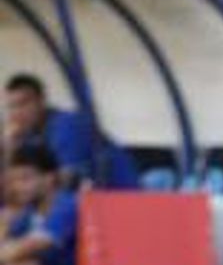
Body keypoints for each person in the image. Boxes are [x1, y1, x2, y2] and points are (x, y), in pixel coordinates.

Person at [3, 73, 137, 188]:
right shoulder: (26, 134)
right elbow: (12, 184)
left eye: (23, 104)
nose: (17, 113)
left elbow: (70, 180)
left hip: (118, 193)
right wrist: (10, 146)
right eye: (11, 107)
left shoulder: (68, 125)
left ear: (41, 101)